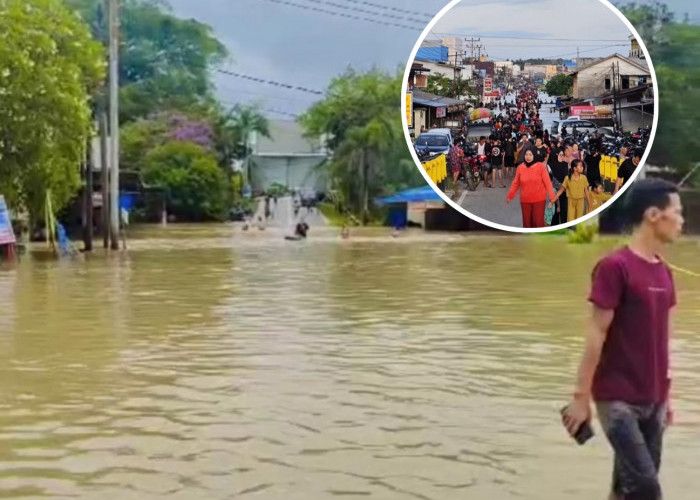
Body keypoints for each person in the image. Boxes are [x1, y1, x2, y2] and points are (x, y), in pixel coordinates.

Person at [561, 178, 684, 500]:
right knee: (646, 487)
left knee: (627, 488)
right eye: (678, 213)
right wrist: (580, 397)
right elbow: (596, 332)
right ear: (654, 215)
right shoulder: (615, 267)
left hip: (654, 398)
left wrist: (667, 395)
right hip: (617, 400)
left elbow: (662, 338)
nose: (682, 221)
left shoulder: (664, 272)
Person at [506, 148, 557, 228]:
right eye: (526, 155)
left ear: (534, 156)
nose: (528, 157)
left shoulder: (540, 167)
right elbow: (515, 183)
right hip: (525, 200)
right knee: (527, 223)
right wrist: (510, 196)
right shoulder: (520, 168)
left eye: (530, 155)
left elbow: (548, 183)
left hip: (539, 200)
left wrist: (552, 196)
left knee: (538, 222)